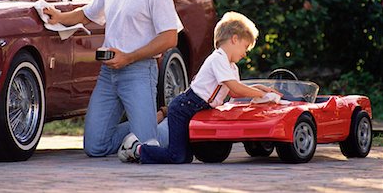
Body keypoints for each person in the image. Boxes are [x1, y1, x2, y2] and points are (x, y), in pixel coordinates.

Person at [43, 0, 181, 156]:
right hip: (108, 74)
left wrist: (128, 57)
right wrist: (58, 17)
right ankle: (149, 121)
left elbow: (170, 38)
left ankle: (172, 123)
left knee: (148, 146)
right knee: (95, 147)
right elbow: (87, 14)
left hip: (139, 71)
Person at [117, 11, 282, 164]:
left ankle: (142, 150)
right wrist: (260, 93)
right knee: (177, 156)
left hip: (196, 109)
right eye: (245, 47)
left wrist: (259, 88)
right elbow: (236, 88)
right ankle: (136, 148)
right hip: (184, 108)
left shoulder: (231, 67)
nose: (245, 53)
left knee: (185, 157)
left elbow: (233, 91)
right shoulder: (218, 58)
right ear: (234, 39)